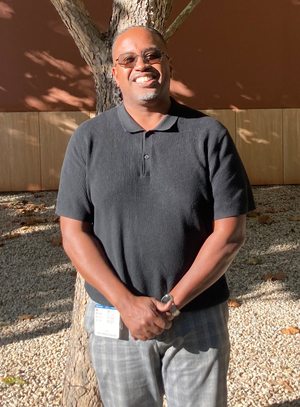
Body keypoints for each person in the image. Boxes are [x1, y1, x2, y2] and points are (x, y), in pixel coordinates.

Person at [56, 25, 255, 407]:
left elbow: (229, 234)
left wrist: (174, 303)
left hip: (196, 316)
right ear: (114, 73)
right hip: (115, 318)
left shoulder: (209, 136)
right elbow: (73, 234)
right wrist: (127, 304)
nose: (141, 65)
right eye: (127, 59)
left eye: (152, 55)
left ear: (168, 64)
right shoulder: (88, 140)